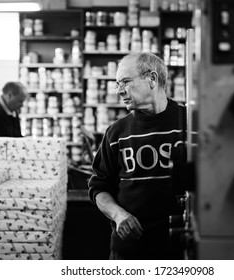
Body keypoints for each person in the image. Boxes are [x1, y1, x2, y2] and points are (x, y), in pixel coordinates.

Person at [88, 52, 186, 260]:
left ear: (152, 79)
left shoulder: (191, 124)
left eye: (125, 81)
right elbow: (98, 188)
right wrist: (118, 214)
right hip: (130, 252)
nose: (119, 91)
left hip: (180, 249)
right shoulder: (116, 133)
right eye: (117, 84)